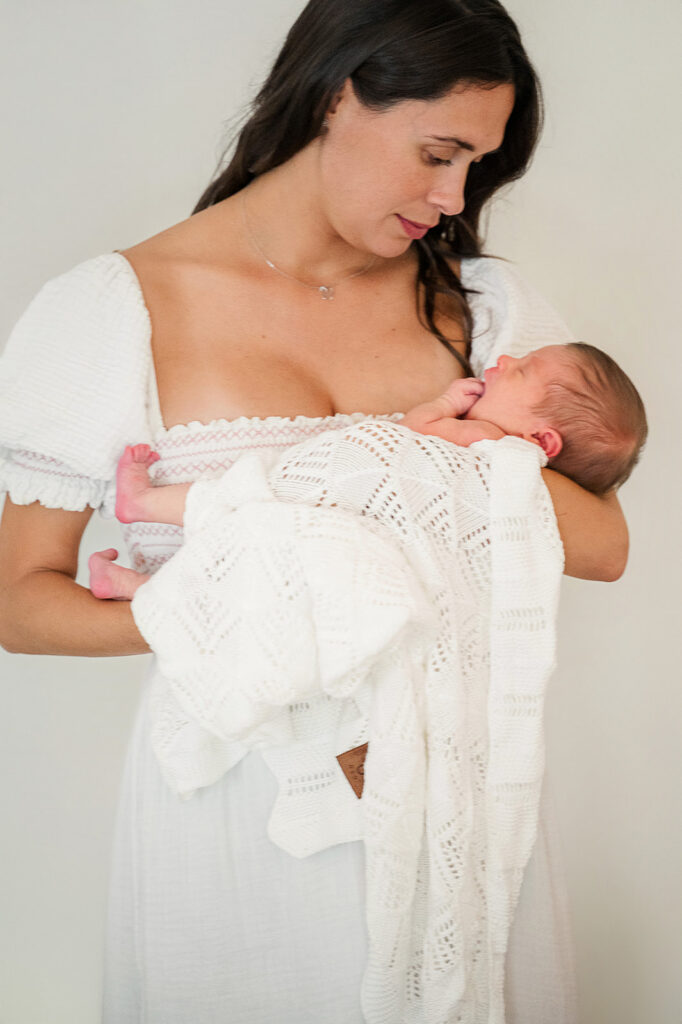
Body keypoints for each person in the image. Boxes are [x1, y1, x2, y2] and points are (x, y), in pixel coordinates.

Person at [0, 0, 631, 1020]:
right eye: (438, 152)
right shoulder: (114, 308)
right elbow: (20, 605)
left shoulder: (482, 311)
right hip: (234, 801)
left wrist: (399, 466)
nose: (454, 192)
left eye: (476, 163)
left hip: (452, 796)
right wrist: (237, 617)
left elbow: (603, 543)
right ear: (341, 93)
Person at [88, 341, 646, 602]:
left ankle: (143, 530)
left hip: (337, 530)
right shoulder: (493, 443)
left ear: (541, 440)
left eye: (519, 370)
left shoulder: (492, 447)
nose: (500, 362)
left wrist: (448, 406)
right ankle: (137, 568)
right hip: (326, 506)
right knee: (247, 530)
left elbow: (415, 433)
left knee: (247, 515)